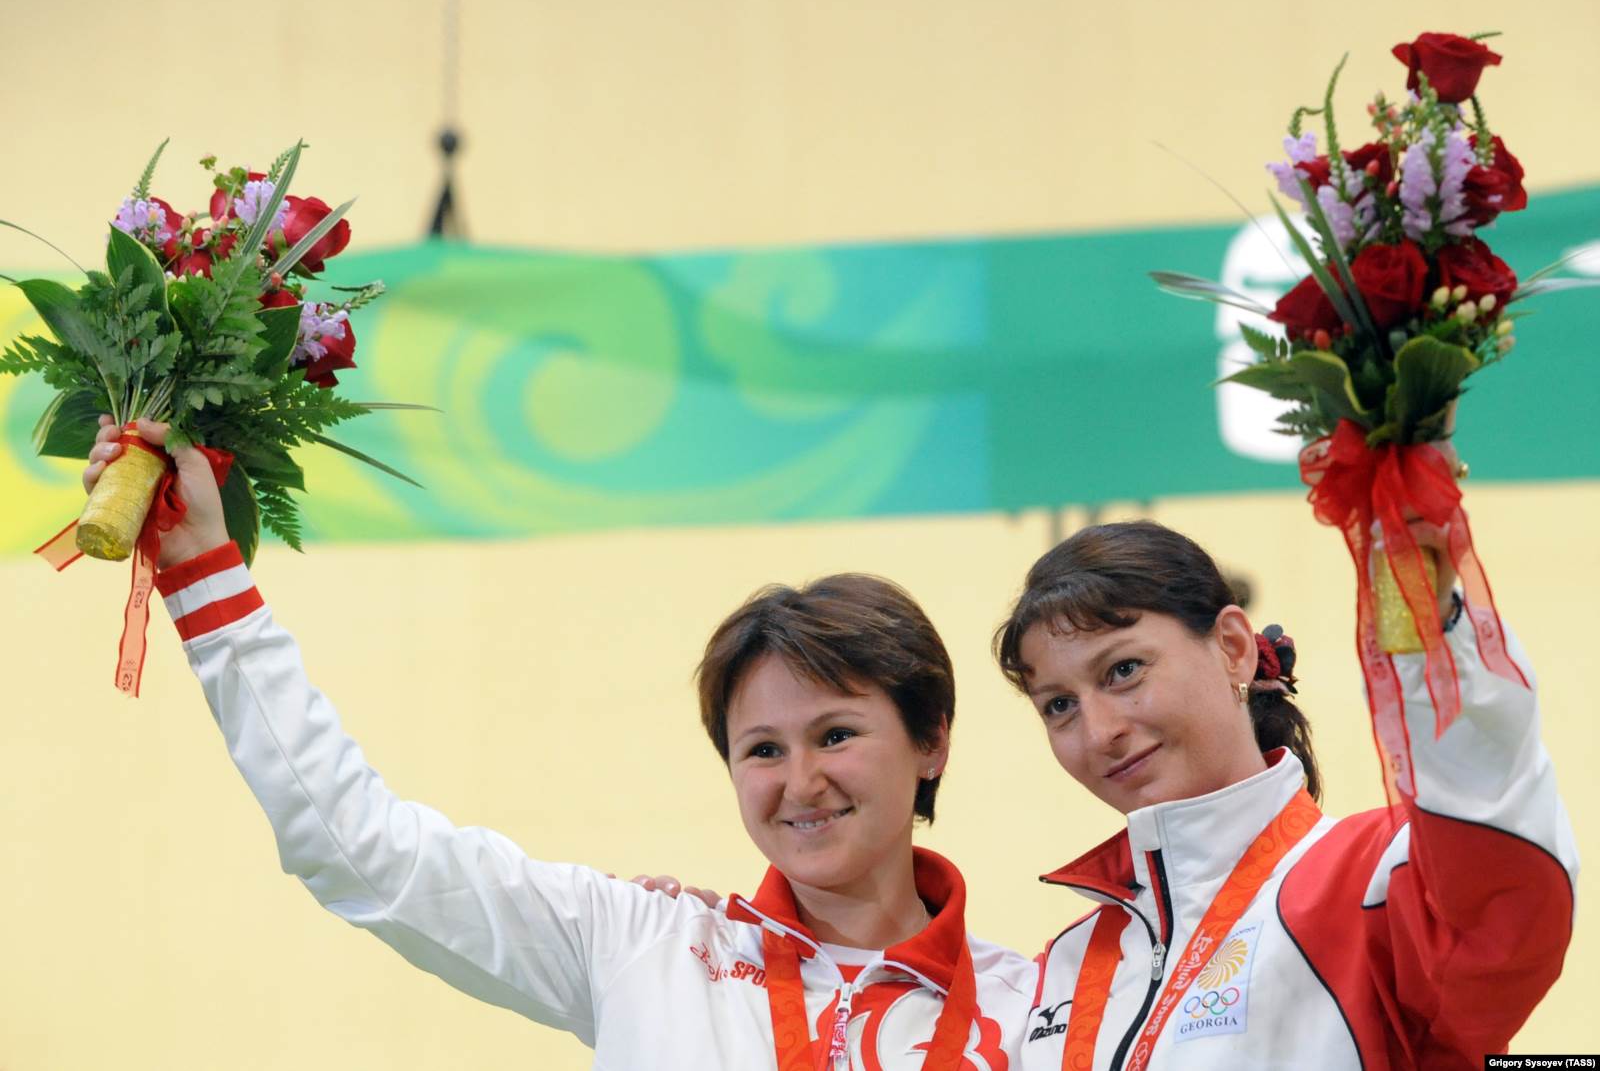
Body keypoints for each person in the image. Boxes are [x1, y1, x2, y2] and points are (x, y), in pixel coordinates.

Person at [84, 416, 1036, 1071]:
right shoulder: (645, 942)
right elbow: (358, 846)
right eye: (762, 750)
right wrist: (204, 575)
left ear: (932, 740)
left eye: (835, 734)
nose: (801, 780)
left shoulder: (1041, 1010)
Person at [996, 518, 1576, 1069]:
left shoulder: (1377, 880)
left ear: (1232, 648)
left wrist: (1431, 627)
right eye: (1059, 705)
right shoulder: (1062, 970)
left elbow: (1505, 885)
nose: (1099, 733)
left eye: (1123, 670)